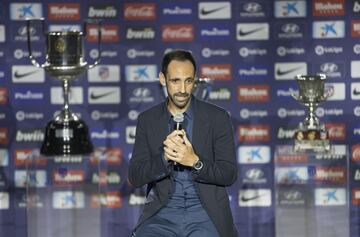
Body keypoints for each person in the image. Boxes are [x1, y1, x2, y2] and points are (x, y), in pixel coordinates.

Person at [128, 49, 238, 237]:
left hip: (206, 214)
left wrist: (195, 161)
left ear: (195, 79)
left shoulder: (218, 118)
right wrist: (164, 158)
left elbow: (229, 174)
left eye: (188, 81)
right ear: (163, 79)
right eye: (175, 81)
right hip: (161, 215)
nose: (182, 90)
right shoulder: (148, 119)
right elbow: (135, 176)